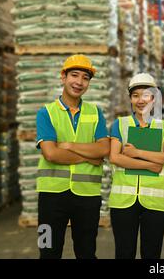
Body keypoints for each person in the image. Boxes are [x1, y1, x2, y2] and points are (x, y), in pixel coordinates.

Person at [36, 54, 110, 259]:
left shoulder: (96, 113)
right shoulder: (46, 113)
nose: (79, 82)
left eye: (85, 77)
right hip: (50, 197)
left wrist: (69, 146)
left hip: (87, 197)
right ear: (63, 77)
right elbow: (50, 153)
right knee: (47, 250)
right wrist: (89, 157)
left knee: (86, 253)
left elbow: (104, 149)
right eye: (74, 75)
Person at [108, 73, 164, 259]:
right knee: (124, 252)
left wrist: (136, 153)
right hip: (123, 201)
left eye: (146, 95)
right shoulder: (120, 124)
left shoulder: (163, 127)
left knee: (152, 253)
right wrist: (150, 165)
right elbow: (115, 157)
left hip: (156, 202)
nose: (140, 100)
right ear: (130, 98)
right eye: (135, 95)